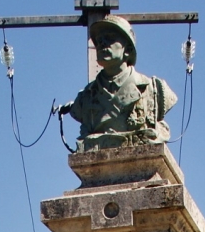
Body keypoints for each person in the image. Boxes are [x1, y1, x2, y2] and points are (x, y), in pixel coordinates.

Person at [61, 15, 177, 151]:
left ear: (127, 50)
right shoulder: (84, 99)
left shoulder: (154, 89)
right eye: (99, 41)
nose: (102, 43)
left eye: (110, 38)